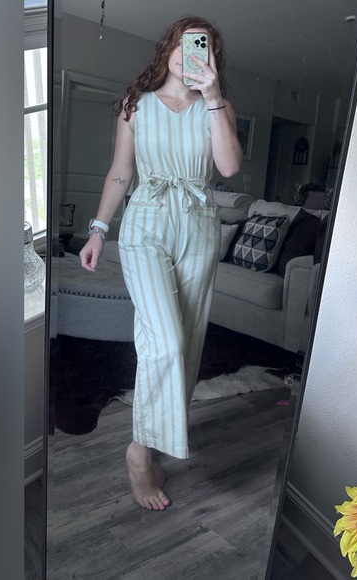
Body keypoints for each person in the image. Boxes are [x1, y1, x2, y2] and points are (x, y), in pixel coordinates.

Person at [79, 16, 242, 510]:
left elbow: (229, 167)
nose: (190, 54)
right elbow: (120, 172)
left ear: (211, 60)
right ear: (169, 48)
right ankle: (139, 452)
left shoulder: (217, 107)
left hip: (198, 227)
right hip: (146, 224)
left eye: (203, 48)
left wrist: (213, 96)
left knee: (185, 344)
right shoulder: (137, 105)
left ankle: (150, 444)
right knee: (165, 340)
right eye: (184, 43)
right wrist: (98, 229)